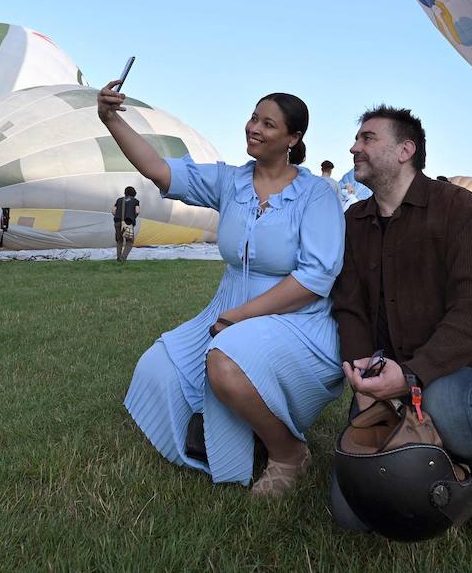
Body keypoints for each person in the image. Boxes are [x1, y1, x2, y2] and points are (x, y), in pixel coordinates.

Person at [99, 85, 344, 496]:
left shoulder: (317, 194)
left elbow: (316, 277)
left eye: (268, 124)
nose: (254, 128)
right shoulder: (230, 181)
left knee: (225, 367)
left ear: (293, 139)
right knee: (157, 368)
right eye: (253, 118)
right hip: (228, 307)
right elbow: (159, 169)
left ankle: (288, 452)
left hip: (294, 316)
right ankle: (229, 434)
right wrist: (110, 119)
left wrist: (239, 318)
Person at [331, 105, 472, 563]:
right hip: (387, 368)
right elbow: (349, 305)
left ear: (406, 150)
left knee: (448, 405)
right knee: (354, 511)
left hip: (470, 367)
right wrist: (363, 372)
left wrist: (411, 376)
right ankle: (444, 456)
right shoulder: (354, 222)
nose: (353, 147)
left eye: (366, 138)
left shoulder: (459, 210)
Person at [112, 186, 140, 263]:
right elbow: (137, 211)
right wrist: (133, 217)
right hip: (128, 223)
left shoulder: (119, 200)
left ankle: (118, 257)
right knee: (129, 241)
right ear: (134, 193)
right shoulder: (135, 201)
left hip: (117, 222)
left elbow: (113, 211)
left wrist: (118, 217)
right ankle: (123, 258)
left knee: (119, 240)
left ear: (125, 193)